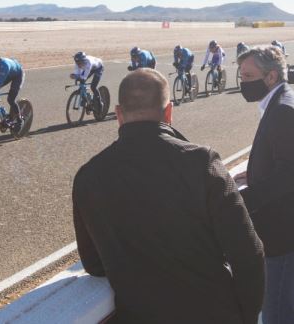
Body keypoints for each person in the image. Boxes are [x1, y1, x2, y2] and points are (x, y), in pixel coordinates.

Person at [73, 68, 264, 324]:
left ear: (118, 114)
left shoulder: (88, 175)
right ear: (169, 112)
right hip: (215, 313)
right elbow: (249, 253)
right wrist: (247, 317)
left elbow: (94, 264)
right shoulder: (202, 162)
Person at [234, 46, 294, 324]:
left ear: (270, 77)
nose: (242, 82)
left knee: (277, 313)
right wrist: (255, 172)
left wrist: (241, 201)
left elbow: (288, 174)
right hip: (281, 229)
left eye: (248, 76)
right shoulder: (279, 101)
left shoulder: (282, 110)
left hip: (282, 236)